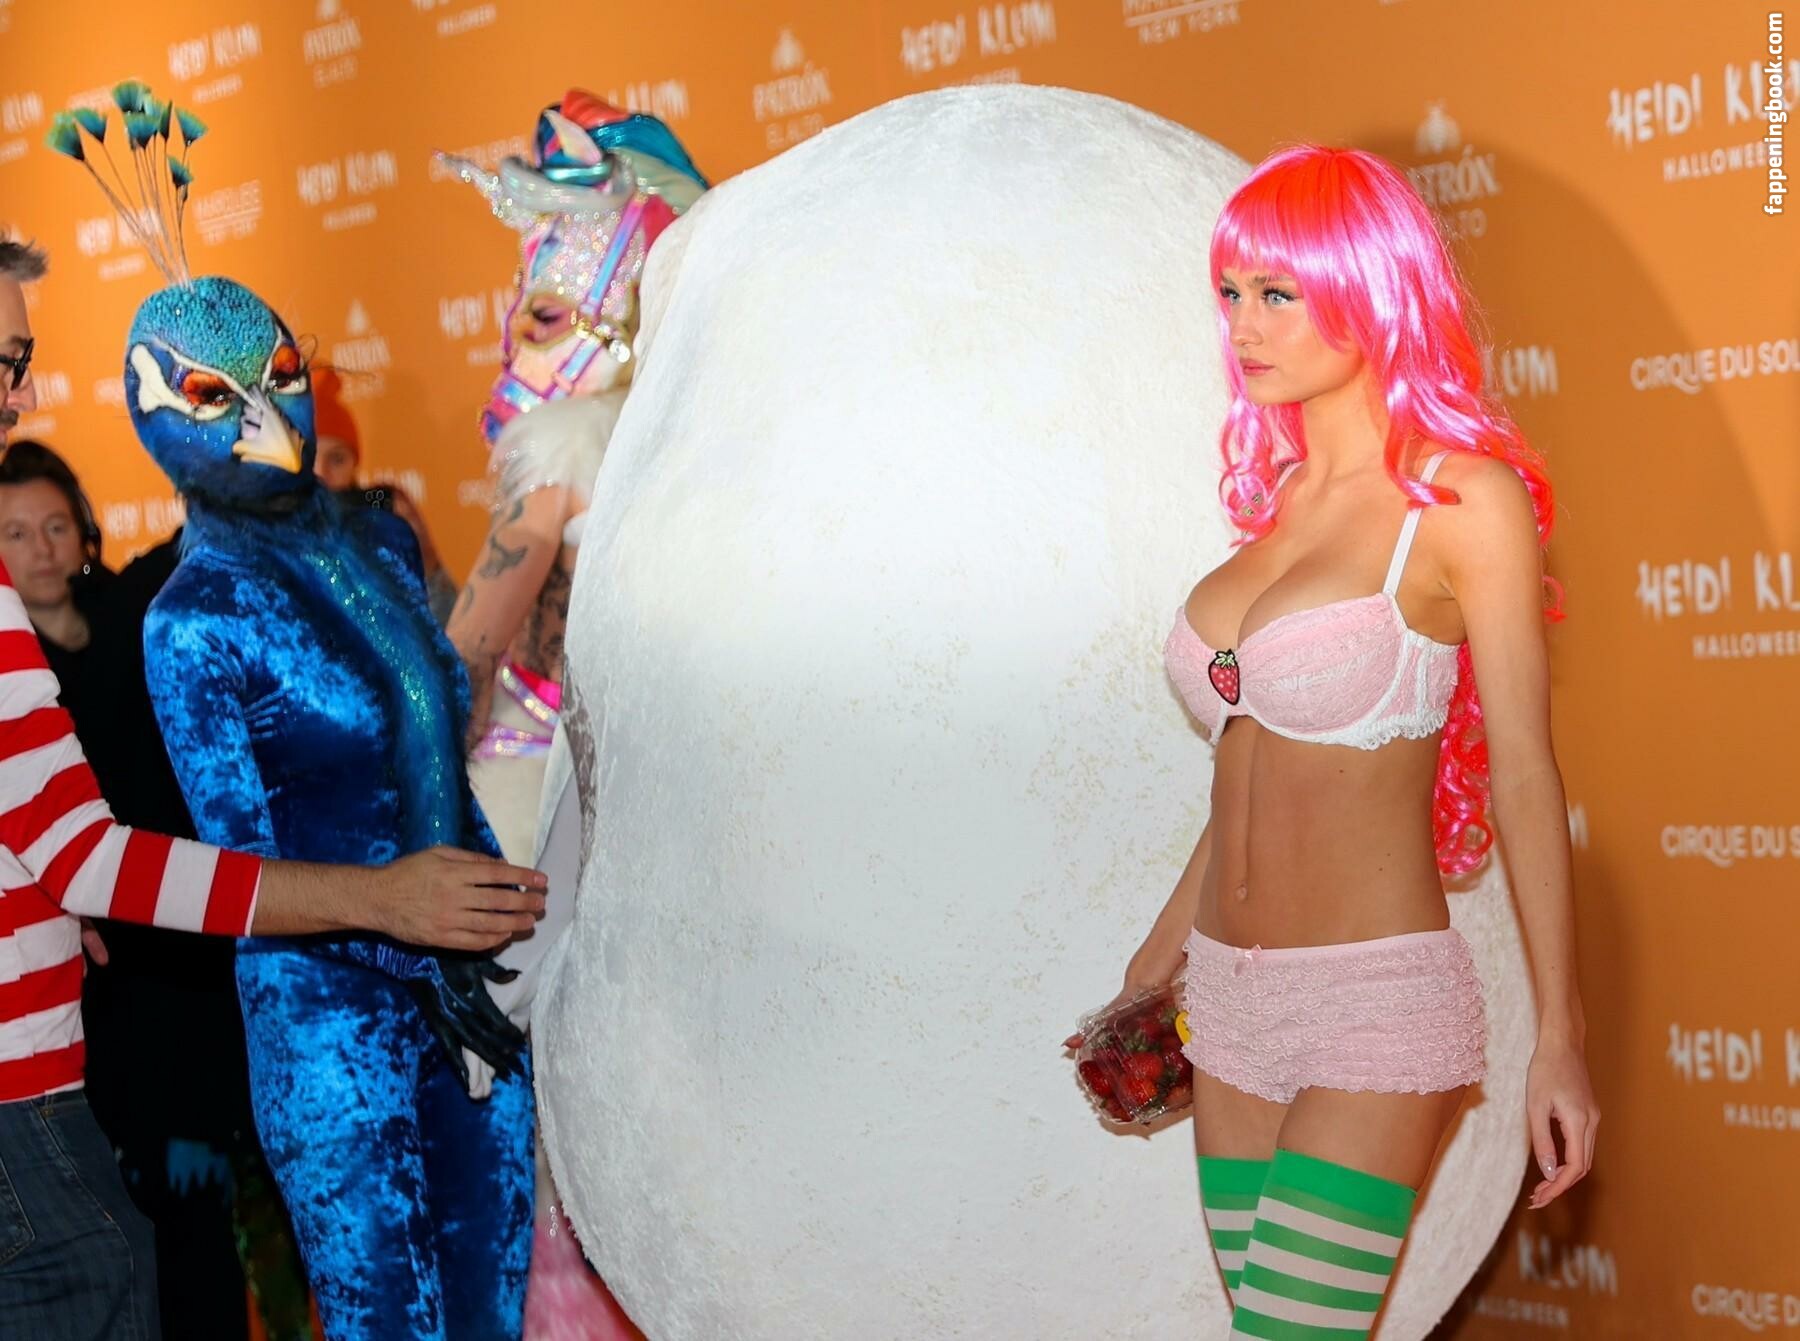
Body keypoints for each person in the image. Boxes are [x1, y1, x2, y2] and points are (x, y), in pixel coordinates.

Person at [51, 85, 541, 1337]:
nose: (267, 416)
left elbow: (444, 739)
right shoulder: (189, 618)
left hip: (479, 997)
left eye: (279, 376)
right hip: (334, 1035)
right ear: (155, 410)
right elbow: (241, 876)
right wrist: (402, 923)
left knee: (495, 1313)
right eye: (215, 396)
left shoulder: (381, 539)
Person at [1125, 145, 1597, 1337]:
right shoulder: (1275, 503)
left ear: (1371, 291)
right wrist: (1159, 954)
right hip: (1225, 1001)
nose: (1244, 325)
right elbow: (1256, 763)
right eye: (1231, 292)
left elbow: (1526, 776)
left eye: (1278, 293)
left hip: (1374, 1003)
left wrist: (1561, 1038)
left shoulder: (1463, 502)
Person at [438, 89, 707, 1339]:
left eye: (543, 310)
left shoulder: (555, 467)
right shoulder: (685, 466)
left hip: (534, 826)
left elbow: (467, 653)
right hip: (654, 840)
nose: (515, 330)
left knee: (534, 1151)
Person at [0, 438, 315, 1339]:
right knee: (147, 1238)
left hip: (189, 960)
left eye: (55, 525)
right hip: (101, 1011)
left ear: (83, 528)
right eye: (14, 532)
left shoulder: (139, 611)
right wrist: (369, 897)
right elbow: (83, 855)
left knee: (223, 1220)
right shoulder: (25, 661)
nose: (41, 549)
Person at [312, 366, 459, 626]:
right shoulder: (263, 537)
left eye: (337, 459)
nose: (322, 473)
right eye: (309, 458)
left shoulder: (377, 516)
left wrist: (426, 565)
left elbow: (450, 632)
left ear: (354, 466)